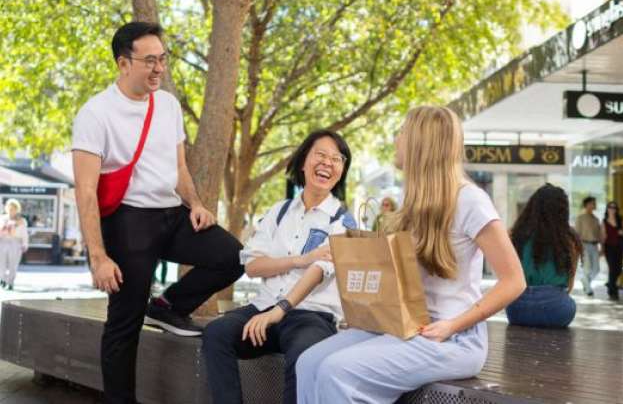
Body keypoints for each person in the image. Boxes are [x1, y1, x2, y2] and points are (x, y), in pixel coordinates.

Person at [295, 105, 526, 403]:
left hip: (454, 338)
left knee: (336, 371)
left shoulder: (470, 200)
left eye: (402, 132)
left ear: (420, 142)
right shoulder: (414, 202)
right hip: (406, 326)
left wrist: (453, 325)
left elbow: (514, 281)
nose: (396, 139)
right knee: (308, 362)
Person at [71, 22, 244, 403]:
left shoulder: (167, 104)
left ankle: (168, 306)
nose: (159, 68)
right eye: (149, 61)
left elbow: (178, 167)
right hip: (128, 222)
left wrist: (195, 204)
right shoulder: (95, 113)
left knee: (233, 256)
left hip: (172, 214)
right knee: (125, 323)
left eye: (163, 59)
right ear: (123, 63)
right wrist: (98, 257)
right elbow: (85, 191)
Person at [202, 130, 356, 404]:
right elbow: (253, 266)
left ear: (342, 171)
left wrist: (280, 309)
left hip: (311, 316)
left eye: (337, 159)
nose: (327, 163)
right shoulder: (279, 211)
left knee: (304, 356)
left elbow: (319, 271)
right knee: (216, 333)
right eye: (321, 155)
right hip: (263, 307)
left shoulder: (343, 222)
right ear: (303, 161)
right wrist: (300, 259)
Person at [505, 184, 582, 328]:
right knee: (569, 304)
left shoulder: (514, 235)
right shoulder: (570, 238)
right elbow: (569, 285)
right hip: (557, 310)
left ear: (531, 208)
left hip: (518, 309)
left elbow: (506, 277)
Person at [0, 199, 29, 291]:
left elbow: (24, 234)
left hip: (15, 242)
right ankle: (3, 280)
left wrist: (25, 244)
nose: (11, 210)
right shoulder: (2, 218)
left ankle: (10, 283)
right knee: (1, 264)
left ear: (17, 209)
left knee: (13, 264)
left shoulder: (21, 220)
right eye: (9, 208)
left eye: (13, 208)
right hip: (3, 242)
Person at [575, 196, 601, 296]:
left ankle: (584, 281)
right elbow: (576, 234)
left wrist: (601, 247)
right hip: (584, 245)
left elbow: (599, 235)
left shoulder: (596, 219)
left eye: (594, 203)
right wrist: (578, 248)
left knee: (596, 269)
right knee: (587, 268)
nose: (594, 205)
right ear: (586, 205)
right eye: (592, 203)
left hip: (594, 246)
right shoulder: (580, 218)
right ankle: (588, 289)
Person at [601, 201, 623, 301]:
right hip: (609, 247)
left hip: (620, 247)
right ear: (607, 209)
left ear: (616, 210)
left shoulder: (620, 220)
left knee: (619, 268)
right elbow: (603, 236)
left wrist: (622, 232)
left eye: (614, 207)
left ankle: (610, 284)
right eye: (610, 207)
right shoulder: (604, 221)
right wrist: (602, 248)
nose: (612, 209)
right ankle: (613, 291)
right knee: (612, 269)